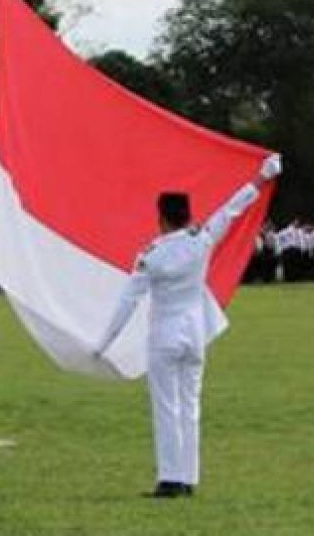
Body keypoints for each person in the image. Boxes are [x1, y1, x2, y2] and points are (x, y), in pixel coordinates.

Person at [95, 154, 282, 499]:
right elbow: (231, 210)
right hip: (195, 333)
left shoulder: (152, 254)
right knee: (191, 405)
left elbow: (128, 301)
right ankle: (189, 475)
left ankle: (171, 478)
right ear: (186, 216)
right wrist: (261, 176)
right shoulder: (201, 240)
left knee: (167, 406)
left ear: (162, 218)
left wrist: (104, 340)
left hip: (165, 334)